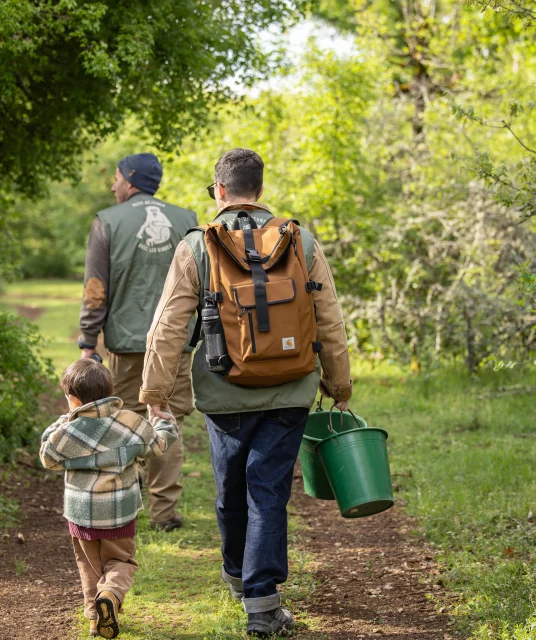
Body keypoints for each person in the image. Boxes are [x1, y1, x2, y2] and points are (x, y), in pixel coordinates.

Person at [139, 149, 352, 637]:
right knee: (269, 491)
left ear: (219, 190)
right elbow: (330, 321)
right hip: (291, 390)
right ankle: (262, 601)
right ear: (258, 189)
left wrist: (155, 392)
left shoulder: (197, 246)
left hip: (223, 391)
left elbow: (169, 325)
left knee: (230, 487)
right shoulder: (301, 241)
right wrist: (338, 386)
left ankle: (242, 582)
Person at [77, 153, 197, 532]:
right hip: (176, 342)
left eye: (115, 178)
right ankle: (164, 513)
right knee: (169, 419)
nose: (112, 186)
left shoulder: (107, 222)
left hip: (127, 344)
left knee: (125, 419)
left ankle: (124, 507)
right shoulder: (187, 220)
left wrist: (87, 340)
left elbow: (96, 289)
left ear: (130, 180)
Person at [39, 359, 177, 638]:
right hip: (119, 513)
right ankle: (111, 596)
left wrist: (67, 418)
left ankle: (94, 618)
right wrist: (163, 419)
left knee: (89, 566)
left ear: (72, 399)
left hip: (80, 513)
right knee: (121, 561)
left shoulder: (67, 432)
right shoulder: (130, 424)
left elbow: (47, 456)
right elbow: (160, 443)